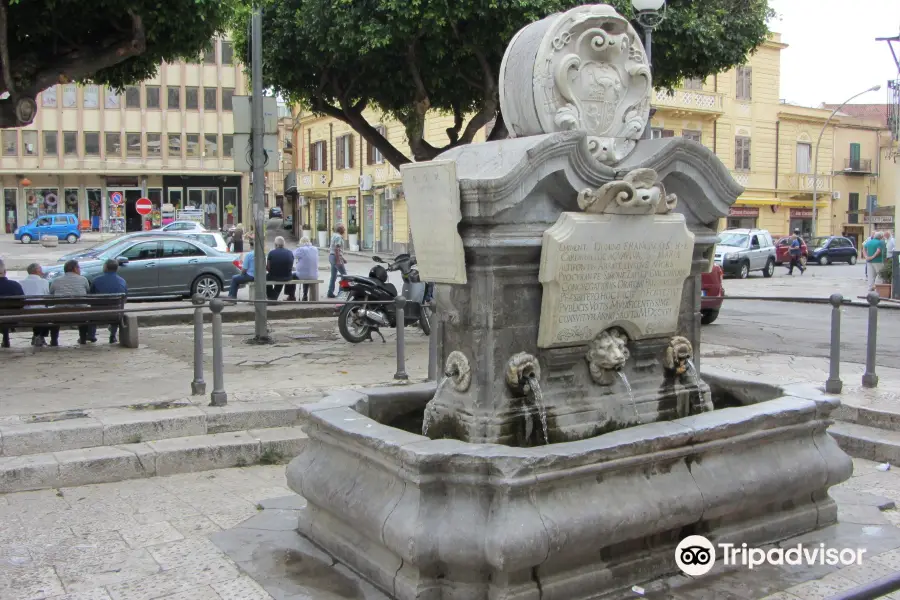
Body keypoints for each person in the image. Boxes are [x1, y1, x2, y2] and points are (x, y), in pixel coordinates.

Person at [50, 259, 94, 344]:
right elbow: (88, 291)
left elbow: (51, 293)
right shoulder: (83, 279)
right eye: (79, 268)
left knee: (54, 310)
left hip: (60, 313)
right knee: (83, 308)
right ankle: (83, 338)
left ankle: (54, 340)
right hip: (80, 313)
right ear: (74, 269)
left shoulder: (56, 280)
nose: (80, 270)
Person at [20, 263, 58, 347]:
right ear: (37, 271)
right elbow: (47, 297)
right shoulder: (44, 282)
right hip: (41, 311)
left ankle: (37, 336)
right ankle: (39, 336)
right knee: (45, 312)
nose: (42, 271)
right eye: (40, 269)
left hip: (25, 311)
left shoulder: (21, 282)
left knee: (39, 311)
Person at [90, 259, 128, 344]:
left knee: (92, 310)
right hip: (115, 314)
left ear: (105, 267)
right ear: (116, 268)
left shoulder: (96, 280)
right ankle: (112, 336)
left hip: (97, 313)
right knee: (116, 308)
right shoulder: (122, 281)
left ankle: (91, 335)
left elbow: (90, 297)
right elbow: (125, 298)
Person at [0, 258, 24, 348]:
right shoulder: (15, 285)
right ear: (5, 271)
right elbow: (22, 302)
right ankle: (5, 338)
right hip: (13, 318)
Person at [286, 236, 319, 301]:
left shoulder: (301, 249)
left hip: (303, 275)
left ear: (301, 242)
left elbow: (292, 255)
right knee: (306, 274)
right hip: (314, 275)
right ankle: (305, 295)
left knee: (291, 276)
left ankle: (291, 296)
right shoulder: (315, 249)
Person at [266, 236, 295, 301]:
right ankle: (273, 297)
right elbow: (291, 266)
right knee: (282, 276)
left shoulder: (271, 253)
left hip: (274, 276)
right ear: (284, 244)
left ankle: (271, 296)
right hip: (287, 277)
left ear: (275, 244)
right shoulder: (290, 252)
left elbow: (268, 268)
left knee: (266, 277)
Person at [327, 223, 347, 298]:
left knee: (333, 276)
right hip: (336, 258)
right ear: (340, 229)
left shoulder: (334, 235)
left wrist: (343, 258)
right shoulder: (339, 237)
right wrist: (339, 260)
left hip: (331, 257)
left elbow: (333, 249)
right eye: (343, 228)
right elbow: (337, 248)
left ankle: (330, 292)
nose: (344, 230)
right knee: (344, 275)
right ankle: (341, 293)